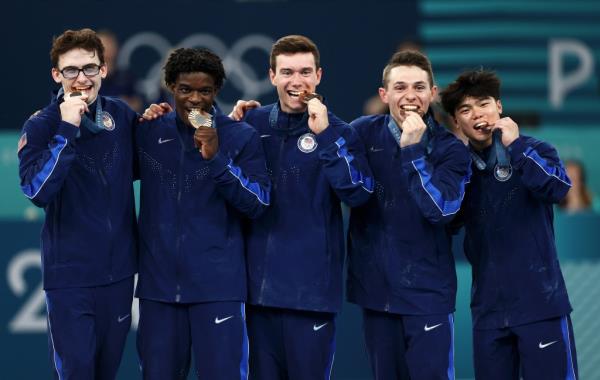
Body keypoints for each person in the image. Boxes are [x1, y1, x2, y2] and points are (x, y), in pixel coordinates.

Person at [145, 34, 374, 379]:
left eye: (305, 72)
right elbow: (205, 122)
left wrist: (325, 135)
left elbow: (357, 193)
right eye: (287, 72)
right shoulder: (250, 124)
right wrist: (161, 112)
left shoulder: (338, 132)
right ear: (272, 76)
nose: (297, 81)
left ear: (319, 76)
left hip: (308, 295)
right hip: (255, 296)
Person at [135, 47, 270, 379]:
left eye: (204, 90)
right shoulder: (149, 132)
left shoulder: (240, 136)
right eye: (185, 89)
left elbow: (257, 203)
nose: (195, 99)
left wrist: (217, 158)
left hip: (218, 290)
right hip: (159, 291)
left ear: (217, 91)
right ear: (170, 87)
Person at [440, 69, 578, 380]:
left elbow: (558, 189)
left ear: (499, 108)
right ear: (456, 123)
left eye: (484, 104)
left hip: (540, 305)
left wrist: (516, 147)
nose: (478, 114)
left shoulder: (534, 149)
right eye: (465, 109)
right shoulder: (458, 169)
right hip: (488, 313)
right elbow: (444, 220)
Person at [17, 28, 138, 379]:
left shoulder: (122, 116)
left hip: (118, 274)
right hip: (70, 277)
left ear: (104, 70)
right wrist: (66, 130)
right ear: (57, 75)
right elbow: (37, 192)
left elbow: (154, 164)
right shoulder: (42, 125)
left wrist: (218, 120)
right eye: (71, 70)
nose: (81, 78)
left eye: (89, 68)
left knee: (106, 372)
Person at [347, 50, 472, 379]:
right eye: (400, 87)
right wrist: (251, 119)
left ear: (433, 94)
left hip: (427, 296)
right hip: (376, 296)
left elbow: (440, 210)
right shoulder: (362, 133)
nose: (410, 96)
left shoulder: (451, 150)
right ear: (384, 94)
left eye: (419, 87)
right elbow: (321, 142)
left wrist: (413, 150)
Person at [98, 30, 144, 112]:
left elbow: (138, 104)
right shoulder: (88, 78)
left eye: (109, 44)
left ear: (116, 48)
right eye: (102, 46)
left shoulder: (127, 77)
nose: (106, 50)